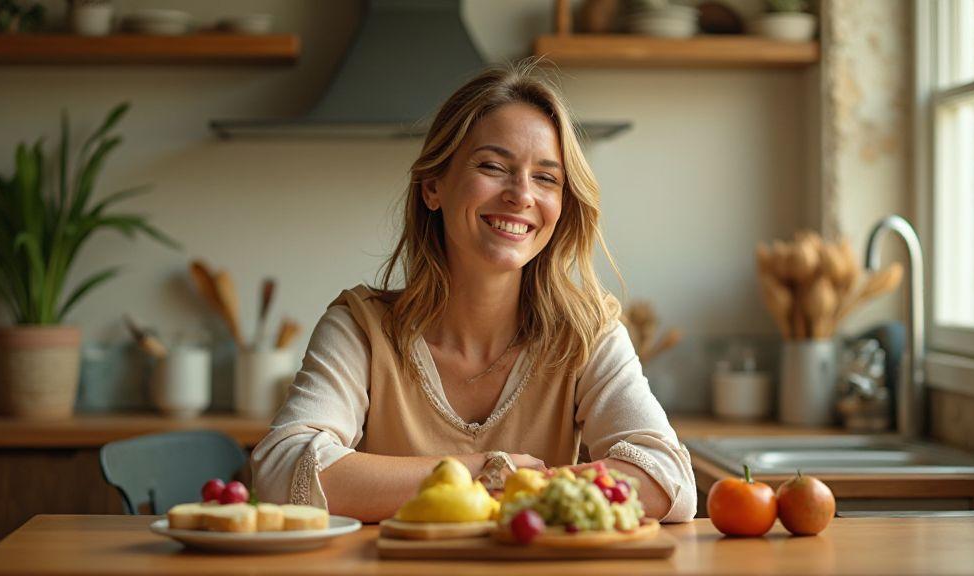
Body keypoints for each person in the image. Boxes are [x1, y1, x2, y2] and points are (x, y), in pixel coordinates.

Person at [252, 62, 696, 523]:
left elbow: (670, 483)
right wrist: (488, 472)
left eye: (546, 177)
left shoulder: (585, 333)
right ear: (432, 188)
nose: (521, 195)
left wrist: (527, 485)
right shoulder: (361, 329)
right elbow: (283, 473)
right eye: (492, 166)